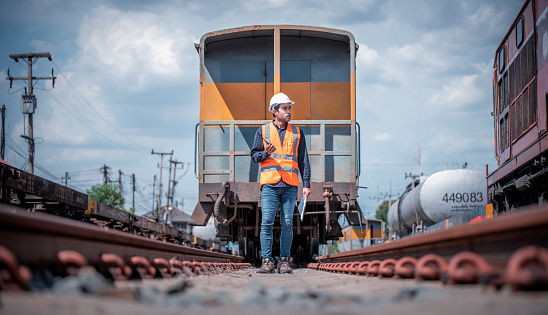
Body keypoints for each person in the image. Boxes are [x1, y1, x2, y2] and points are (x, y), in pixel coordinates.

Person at [251, 92, 311, 274]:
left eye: (289, 108)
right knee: (267, 222)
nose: (288, 111)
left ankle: (284, 261)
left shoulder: (297, 133)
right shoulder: (262, 131)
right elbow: (255, 156)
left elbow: (303, 160)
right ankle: (267, 261)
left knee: (287, 224)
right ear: (274, 111)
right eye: (284, 108)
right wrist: (266, 154)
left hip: (290, 185)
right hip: (270, 184)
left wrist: (306, 184)